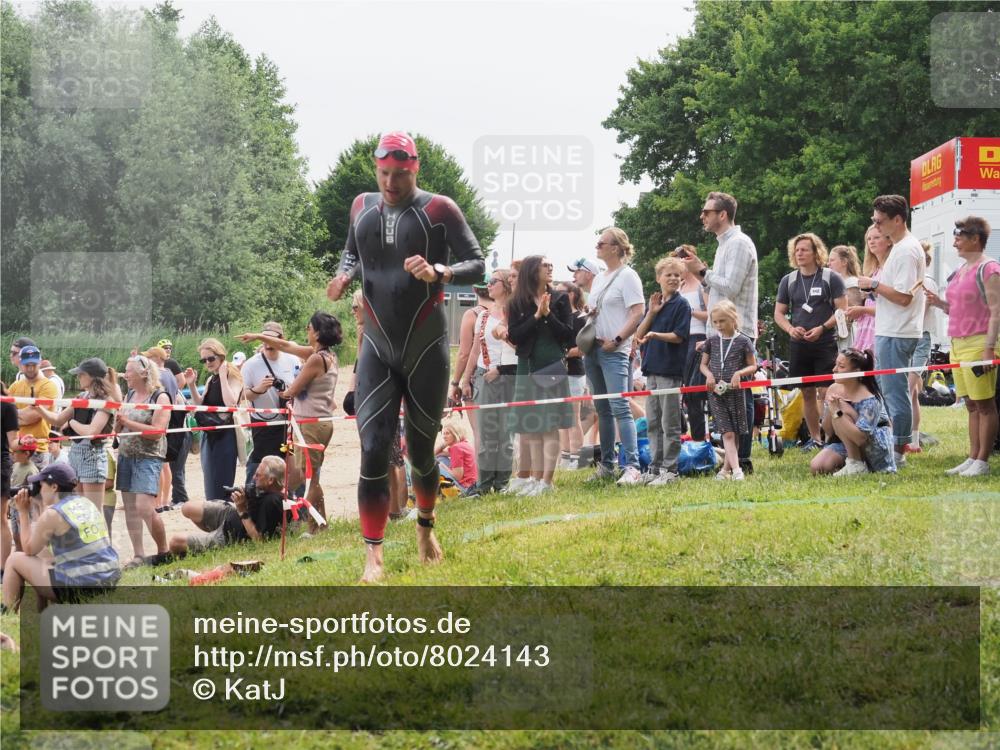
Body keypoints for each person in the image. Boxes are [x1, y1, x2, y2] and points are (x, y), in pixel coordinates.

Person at [325, 131, 484, 582]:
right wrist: (343, 275)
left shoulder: (440, 209)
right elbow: (352, 253)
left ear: (415, 170)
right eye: (383, 173)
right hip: (377, 346)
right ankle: (372, 557)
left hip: (425, 347)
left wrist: (440, 271)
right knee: (373, 449)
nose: (390, 183)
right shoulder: (361, 206)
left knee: (420, 452)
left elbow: (477, 262)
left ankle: (425, 528)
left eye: (400, 174)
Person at [239, 312, 341, 532]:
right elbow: (285, 346)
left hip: (311, 424)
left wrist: (281, 390)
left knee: (309, 479)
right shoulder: (325, 354)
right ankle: (321, 524)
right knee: (309, 476)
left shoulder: (315, 359)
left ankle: (313, 529)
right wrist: (259, 336)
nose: (306, 331)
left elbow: (292, 391)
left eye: (309, 328)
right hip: (316, 422)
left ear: (317, 333)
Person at [682, 192, 759, 470]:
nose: (702, 216)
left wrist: (702, 271)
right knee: (725, 395)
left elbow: (731, 288)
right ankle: (733, 458)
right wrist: (701, 274)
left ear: (722, 214)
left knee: (740, 394)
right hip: (720, 332)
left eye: (707, 212)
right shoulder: (724, 244)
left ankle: (743, 459)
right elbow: (717, 289)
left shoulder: (738, 243)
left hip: (738, 331)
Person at [926, 216, 1000, 477]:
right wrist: (939, 303)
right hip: (957, 343)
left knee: (985, 404)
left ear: (975, 239)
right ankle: (972, 457)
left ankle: (982, 460)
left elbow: (996, 311)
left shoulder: (989, 268)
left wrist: (989, 349)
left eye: (959, 237)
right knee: (970, 404)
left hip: (979, 343)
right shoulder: (960, 271)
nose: (954, 242)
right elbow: (957, 308)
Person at [858, 195, 926, 465]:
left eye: (879, 221)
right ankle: (895, 447)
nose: (875, 225)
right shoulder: (901, 247)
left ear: (897, 220)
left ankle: (898, 451)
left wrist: (873, 285)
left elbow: (904, 297)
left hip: (898, 331)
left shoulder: (906, 250)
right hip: (893, 328)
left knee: (895, 393)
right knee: (891, 391)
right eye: (874, 220)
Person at [2, 463, 120, 613]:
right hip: (107, 580)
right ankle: (43, 612)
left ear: (54, 487)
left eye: (41, 485)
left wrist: (23, 513)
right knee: (43, 555)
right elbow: (40, 548)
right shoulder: (86, 503)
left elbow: (29, 549)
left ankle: (8, 611)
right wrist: (40, 505)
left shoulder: (53, 513)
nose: (39, 490)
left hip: (80, 588)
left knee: (14, 559)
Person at [505, 255, 576, 496]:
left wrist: (547, 315)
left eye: (550, 264)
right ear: (532, 271)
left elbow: (567, 335)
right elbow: (515, 336)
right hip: (526, 366)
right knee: (532, 425)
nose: (550, 267)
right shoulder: (517, 302)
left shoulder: (560, 298)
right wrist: (536, 316)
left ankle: (547, 482)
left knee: (549, 425)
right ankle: (535, 480)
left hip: (551, 367)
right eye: (545, 265)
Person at [774, 232, 847, 449]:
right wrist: (790, 329)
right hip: (799, 344)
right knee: (806, 392)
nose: (799, 253)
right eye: (796, 250)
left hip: (825, 342)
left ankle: (832, 436)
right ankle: (815, 439)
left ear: (816, 252)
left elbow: (842, 310)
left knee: (826, 391)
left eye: (804, 249)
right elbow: (778, 313)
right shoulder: (789, 280)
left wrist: (822, 328)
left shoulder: (830, 277)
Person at [585, 227, 646, 484]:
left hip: (614, 350)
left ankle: (632, 466)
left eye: (602, 243)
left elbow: (638, 312)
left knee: (620, 407)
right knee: (602, 408)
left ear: (616, 247)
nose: (597, 246)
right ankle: (607, 465)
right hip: (593, 348)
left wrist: (618, 340)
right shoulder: (600, 278)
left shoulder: (628, 276)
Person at [460, 268, 517, 494]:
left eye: (494, 281)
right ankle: (483, 485)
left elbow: (521, 348)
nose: (489, 285)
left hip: (510, 377)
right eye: (488, 281)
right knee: (485, 434)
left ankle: (502, 483)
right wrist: (465, 380)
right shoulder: (483, 316)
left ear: (507, 284)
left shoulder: (516, 312)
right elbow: (474, 350)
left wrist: (500, 370)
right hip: (484, 377)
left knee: (506, 434)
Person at [36, 358, 115, 516]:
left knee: (93, 512)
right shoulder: (81, 397)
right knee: (80, 510)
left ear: (92, 376)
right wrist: (38, 408)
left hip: (93, 455)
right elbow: (57, 420)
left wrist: (72, 423)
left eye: (81, 374)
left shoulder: (106, 401)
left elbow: (92, 431)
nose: (78, 377)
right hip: (76, 454)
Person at [636, 256, 690, 484]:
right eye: (669, 274)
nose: (673, 278)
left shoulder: (682, 305)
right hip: (652, 370)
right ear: (659, 278)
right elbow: (638, 335)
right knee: (653, 422)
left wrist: (656, 335)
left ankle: (670, 470)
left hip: (670, 370)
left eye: (677, 275)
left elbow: (679, 336)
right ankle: (655, 467)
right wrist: (651, 312)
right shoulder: (656, 304)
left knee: (670, 423)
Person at [168, 455, 285, 556]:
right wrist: (242, 496)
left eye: (258, 475)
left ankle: (210, 541)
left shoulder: (272, 502)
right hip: (232, 514)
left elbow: (259, 540)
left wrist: (242, 510)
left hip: (231, 534)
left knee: (175, 542)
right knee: (187, 508)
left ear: (270, 480)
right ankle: (210, 536)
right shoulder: (267, 489)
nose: (254, 477)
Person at [115, 355, 170, 566]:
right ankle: (139, 555)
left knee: (144, 507)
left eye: (129, 371)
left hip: (149, 457)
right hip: (126, 455)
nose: (125, 375)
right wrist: (117, 422)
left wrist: (127, 421)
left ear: (144, 373)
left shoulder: (160, 397)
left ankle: (163, 551)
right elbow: (117, 428)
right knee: (130, 508)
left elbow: (157, 432)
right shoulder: (129, 395)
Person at [810, 349, 896, 476]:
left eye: (841, 366)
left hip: (874, 446)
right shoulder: (833, 389)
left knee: (842, 407)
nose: (834, 369)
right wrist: (831, 409)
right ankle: (852, 463)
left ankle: (856, 464)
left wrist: (838, 411)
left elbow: (861, 439)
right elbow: (828, 430)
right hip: (846, 441)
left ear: (856, 372)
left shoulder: (870, 398)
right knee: (818, 467)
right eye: (836, 364)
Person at [700, 301, 757, 481]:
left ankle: (725, 471)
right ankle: (737, 471)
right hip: (716, 393)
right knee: (728, 433)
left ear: (733, 319)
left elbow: (753, 365)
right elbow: (703, 365)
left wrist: (739, 373)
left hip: (736, 393)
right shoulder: (711, 341)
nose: (718, 325)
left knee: (735, 433)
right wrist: (709, 375)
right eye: (715, 322)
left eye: (722, 321)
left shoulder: (744, 341)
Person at [239, 322, 299, 482]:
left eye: (271, 339)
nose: (267, 343)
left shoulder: (293, 360)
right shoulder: (250, 365)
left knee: (291, 465)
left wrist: (288, 392)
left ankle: (293, 494)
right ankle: (253, 491)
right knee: (262, 467)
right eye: (264, 338)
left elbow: (302, 388)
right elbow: (242, 397)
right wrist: (258, 389)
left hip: (288, 423)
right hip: (263, 425)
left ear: (281, 339)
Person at [184, 339, 242, 502]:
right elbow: (200, 405)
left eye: (211, 358)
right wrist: (192, 385)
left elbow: (231, 404)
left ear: (221, 356)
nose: (207, 363)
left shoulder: (233, 376)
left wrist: (223, 376)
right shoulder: (211, 379)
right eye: (203, 360)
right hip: (209, 434)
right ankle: (214, 514)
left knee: (222, 482)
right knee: (210, 482)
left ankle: (224, 514)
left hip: (225, 434)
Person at [906, 241, 943, 453]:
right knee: (909, 392)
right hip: (906, 338)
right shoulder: (910, 282)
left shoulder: (927, 281)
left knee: (909, 389)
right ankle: (910, 438)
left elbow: (922, 311)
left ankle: (912, 439)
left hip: (920, 338)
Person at [674, 245, 710, 441]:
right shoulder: (678, 288)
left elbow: (711, 314)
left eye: (683, 259)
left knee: (695, 391)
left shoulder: (701, 286)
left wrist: (689, 312)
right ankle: (689, 436)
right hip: (680, 340)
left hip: (698, 338)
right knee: (685, 392)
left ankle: (701, 437)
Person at [450, 279, 492, 446]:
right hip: (501, 375)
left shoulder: (472, 314)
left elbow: (464, 354)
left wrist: (455, 382)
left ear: (474, 289)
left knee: (479, 433)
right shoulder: (503, 312)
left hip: (476, 377)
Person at [8, 345, 59, 469]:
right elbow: (4, 415)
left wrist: (12, 417)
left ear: (40, 363)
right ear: (20, 364)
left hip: (37, 450)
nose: (30, 369)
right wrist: (19, 415)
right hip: (15, 449)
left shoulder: (48, 386)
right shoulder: (15, 386)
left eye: (34, 365)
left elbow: (32, 417)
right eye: (27, 365)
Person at [555, 280, 587, 470]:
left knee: (573, 417)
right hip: (558, 373)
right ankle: (565, 456)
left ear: (571, 295)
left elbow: (582, 348)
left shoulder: (580, 318)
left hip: (574, 372)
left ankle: (576, 457)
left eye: (560, 292)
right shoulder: (559, 318)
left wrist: (563, 353)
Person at [850, 226, 891, 353]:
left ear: (889, 241)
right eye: (869, 239)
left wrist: (862, 309)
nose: (871, 242)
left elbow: (891, 305)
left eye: (876, 237)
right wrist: (868, 295)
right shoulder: (876, 270)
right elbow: (880, 298)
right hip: (869, 326)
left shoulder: (889, 268)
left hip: (881, 328)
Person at [828, 244, 864, 347]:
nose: (828, 264)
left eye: (832, 260)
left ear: (844, 262)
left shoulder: (852, 282)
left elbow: (851, 313)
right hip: (837, 334)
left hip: (849, 335)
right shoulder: (835, 283)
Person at [1, 383, 19, 571]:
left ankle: (3, 569)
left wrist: (24, 442)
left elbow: (13, 442)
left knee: (0, 520)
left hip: (1, 465)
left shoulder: (7, 405)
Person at [435, 420, 478, 494]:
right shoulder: (464, 444)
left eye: (447, 433)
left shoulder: (456, 448)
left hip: (464, 488)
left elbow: (457, 477)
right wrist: (444, 444)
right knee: (441, 458)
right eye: (443, 434)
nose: (444, 437)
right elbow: (436, 454)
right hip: (472, 485)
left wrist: (443, 467)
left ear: (455, 434)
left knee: (436, 465)